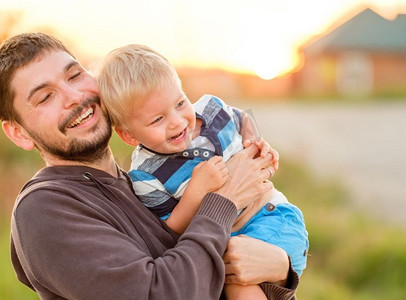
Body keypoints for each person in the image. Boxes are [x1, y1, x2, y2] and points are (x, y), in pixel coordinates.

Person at [0, 32, 299, 300]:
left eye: (75, 75)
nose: (73, 96)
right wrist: (224, 201)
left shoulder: (140, 183)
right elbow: (159, 293)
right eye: (45, 97)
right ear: (18, 133)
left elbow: (210, 272)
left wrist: (280, 268)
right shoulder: (45, 208)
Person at [96, 44, 308, 299]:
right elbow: (168, 231)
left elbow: (241, 119)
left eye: (179, 103)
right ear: (128, 135)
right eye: (157, 119)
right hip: (228, 246)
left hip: (273, 217)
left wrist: (258, 144)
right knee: (233, 281)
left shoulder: (211, 109)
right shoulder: (146, 175)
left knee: (239, 287)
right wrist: (196, 191)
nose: (176, 121)